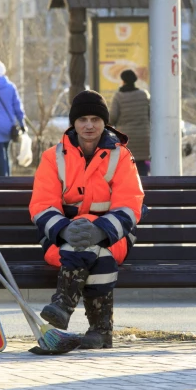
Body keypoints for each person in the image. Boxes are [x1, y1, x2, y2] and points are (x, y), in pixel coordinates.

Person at [29, 90, 145, 349]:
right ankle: (100, 331)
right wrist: (65, 230)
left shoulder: (121, 155)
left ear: (105, 122)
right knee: (94, 253)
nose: (89, 125)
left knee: (94, 247)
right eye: (82, 119)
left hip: (113, 237)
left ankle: (63, 303)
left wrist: (100, 230)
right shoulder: (53, 157)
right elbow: (41, 204)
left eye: (95, 118)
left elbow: (130, 204)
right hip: (60, 239)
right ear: (74, 123)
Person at [109, 69, 151, 176]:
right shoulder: (144, 95)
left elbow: (112, 118)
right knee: (142, 170)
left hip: (125, 139)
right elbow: (150, 114)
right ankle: (144, 191)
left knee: (126, 170)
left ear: (123, 81)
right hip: (143, 138)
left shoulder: (119, 96)